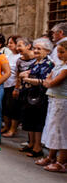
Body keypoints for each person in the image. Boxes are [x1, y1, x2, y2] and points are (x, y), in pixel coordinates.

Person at [19, 38, 55, 158]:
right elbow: (26, 73)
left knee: (37, 121)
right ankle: (31, 143)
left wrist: (28, 79)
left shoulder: (49, 63)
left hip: (39, 96)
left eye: (39, 49)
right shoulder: (36, 62)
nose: (35, 50)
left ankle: (37, 147)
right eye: (35, 48)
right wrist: (24, 75)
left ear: (47, 51)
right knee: (30, 120)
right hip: (30, 94)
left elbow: (45, 80)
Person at [37, 40, 67, 172]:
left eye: (62, 52)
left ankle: (61, 162)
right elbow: (47, 80)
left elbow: (51, 82)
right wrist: (48, 81)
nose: (59, 55)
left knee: (60, 131)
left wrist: (49, 81)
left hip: (62, 102)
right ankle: (51, 156)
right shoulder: (59, 66)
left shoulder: (65, 69)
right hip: (53, 100)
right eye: (58, 52)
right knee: (51, 128)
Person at [1, 35, 22, 137]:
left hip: (13, 85)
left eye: (11, 43)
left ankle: (13, 129)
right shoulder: (8, 56)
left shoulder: (20, 57)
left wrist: (17, 87)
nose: (9, 45)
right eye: (8, 43)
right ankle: (6, 126)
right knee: (5, 107)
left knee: (13, 108)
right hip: (5, 84)